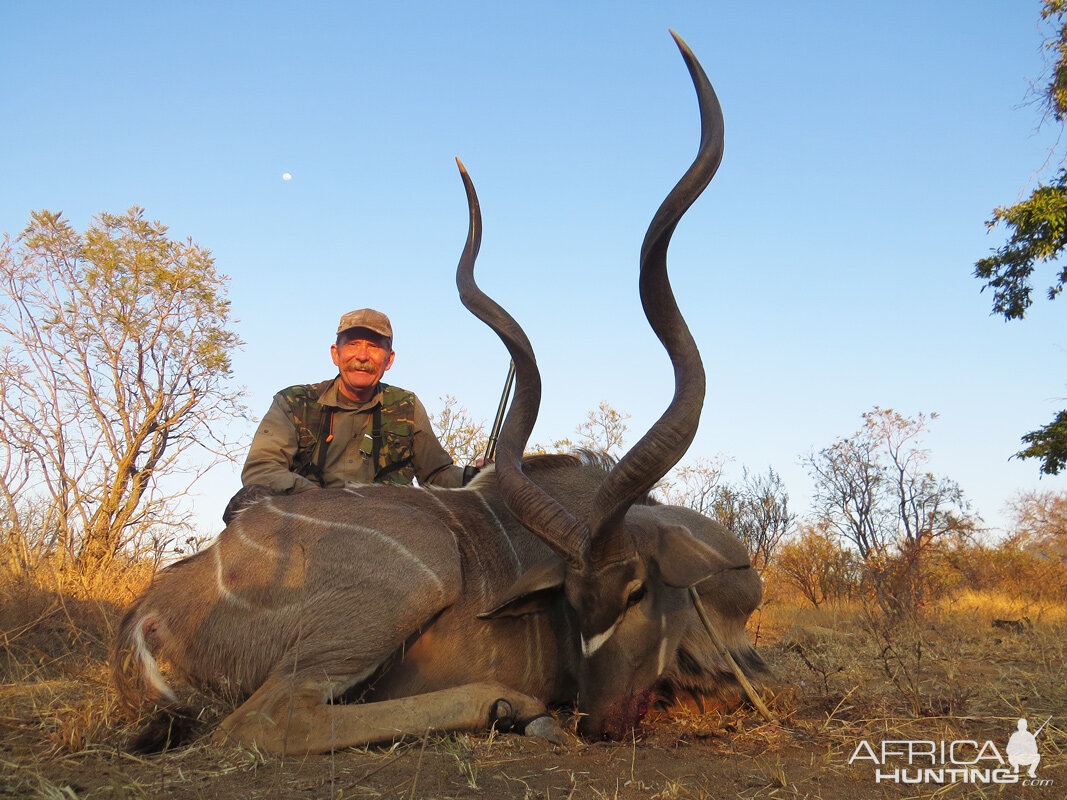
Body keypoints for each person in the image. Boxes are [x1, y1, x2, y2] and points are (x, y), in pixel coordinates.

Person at [234, 309, 474, 515]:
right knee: (246, 501)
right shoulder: (295, 402)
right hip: (307, 518)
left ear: (388, 360)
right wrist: (319, 499)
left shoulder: (406, 405)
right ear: (335, 354)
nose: (362, 356)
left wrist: (480, 477)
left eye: (373, 346)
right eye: (353, 344)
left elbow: (435, 475)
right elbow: (262, 468)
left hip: (384, 526)